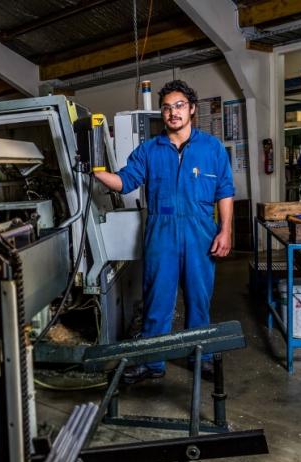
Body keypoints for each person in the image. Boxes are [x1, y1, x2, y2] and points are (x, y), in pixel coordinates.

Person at [92, 80, 235, 384]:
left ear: (192, 109)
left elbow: (225, 191)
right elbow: (125, 181)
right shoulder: (148, 150)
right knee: (157, 297)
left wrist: (226, 230)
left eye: (179, 105)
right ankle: (151, 362)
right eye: (167, 108)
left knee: (199, 298)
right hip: (161, 232)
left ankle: (202, 356)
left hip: (200, 232)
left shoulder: (211, 148)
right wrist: (97, 172)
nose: (173, 113)